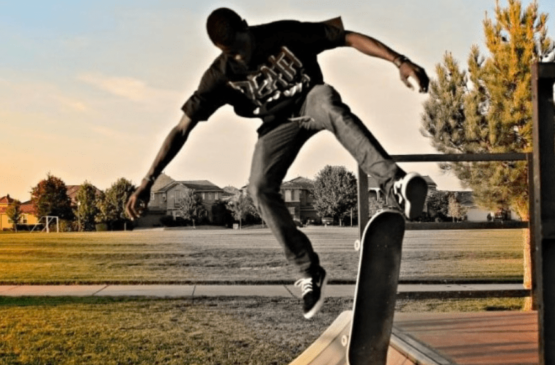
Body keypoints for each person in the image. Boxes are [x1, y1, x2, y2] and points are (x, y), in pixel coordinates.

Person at [125, 8, 430, 319]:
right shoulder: (220, 76)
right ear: (221, 51)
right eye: (232, 54)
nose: (242, 59)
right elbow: (181, 128)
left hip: (310, 102)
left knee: (329, 104)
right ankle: (308, 271)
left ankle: (395, 185)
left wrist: (399, 61)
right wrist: (148, 180)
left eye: (242, 48)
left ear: (246, 26)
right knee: (258, 189)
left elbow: (346, 37)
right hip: (276, 127)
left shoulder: (283, 33)